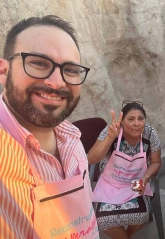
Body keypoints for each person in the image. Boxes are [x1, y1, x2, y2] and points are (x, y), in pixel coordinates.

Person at [0, 15, 98, 239]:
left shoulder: (71, 137)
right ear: (4, 72)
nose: (57, 82)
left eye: (71, 70)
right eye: (39, 63)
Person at [88, 101, 161, 239]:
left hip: (137, 181)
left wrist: (145, 178)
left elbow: (156, 162)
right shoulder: (111, 131)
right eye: (131, 119)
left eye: (140, 118)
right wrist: (110, 138)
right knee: (104, 219)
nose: (136, 123)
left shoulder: (150, 134)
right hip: (111, 183)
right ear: (122, 122)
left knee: (141, 216)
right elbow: (92, 159)